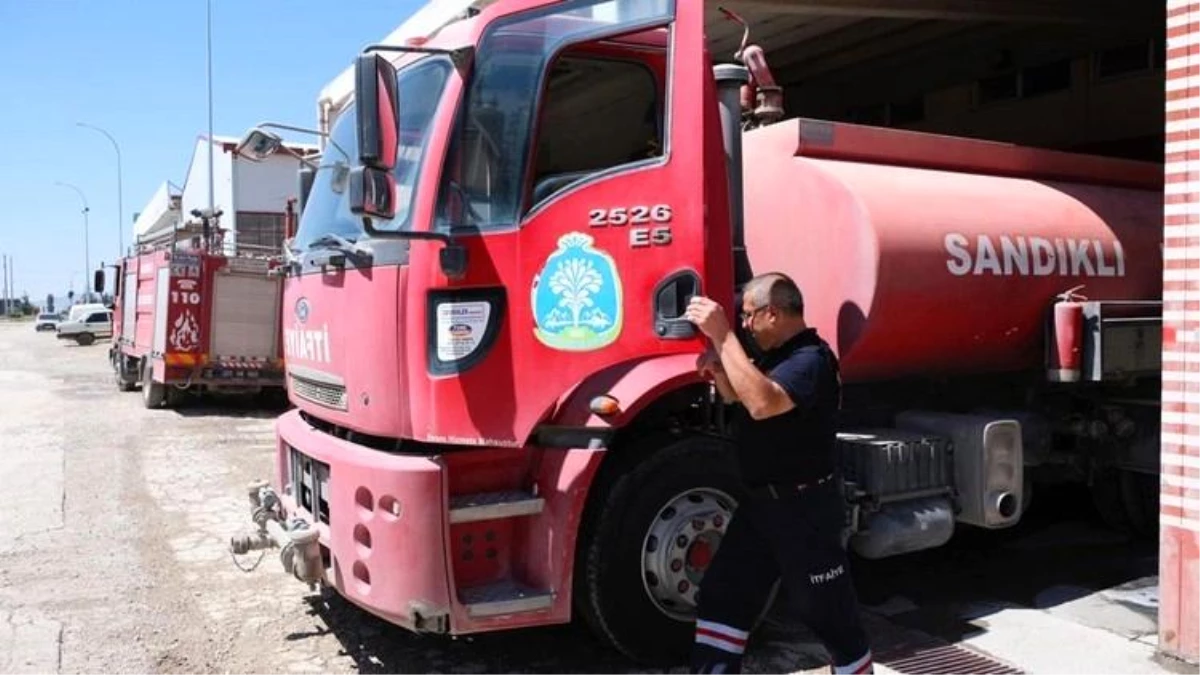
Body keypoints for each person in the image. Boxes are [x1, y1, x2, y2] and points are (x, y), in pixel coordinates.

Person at [683, 272, 873, 675]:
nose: (746, 325)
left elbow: (764, 403)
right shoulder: (776, 357)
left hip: (805, 510)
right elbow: (742, 392)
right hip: (761, 508)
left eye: (749, 316)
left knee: (829, 616)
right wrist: (721, 370)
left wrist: (723, 336)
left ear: (773, 313)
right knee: (722, 595)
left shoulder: (810, 359)